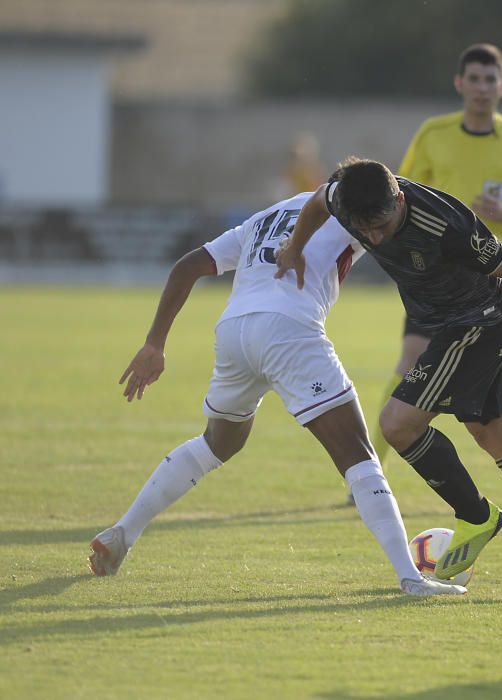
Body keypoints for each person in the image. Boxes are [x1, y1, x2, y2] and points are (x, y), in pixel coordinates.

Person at [87, 191, 466, 598]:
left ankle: (122, 533)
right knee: (358, 455)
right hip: (290, 331)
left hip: (234, 331)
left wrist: (155, 343)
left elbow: (188, 266)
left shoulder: (264, 217)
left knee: (217, 443)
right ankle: (411, 577)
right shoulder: (352, 209)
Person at [275, 157, 502, 599]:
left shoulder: (446, 224)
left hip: (479, 321)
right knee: (497, 436)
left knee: (397, 424)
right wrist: (295, 247)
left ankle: (476, 516)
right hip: (448, 322)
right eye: (364, 229)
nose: (373, 237)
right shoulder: (343, 198)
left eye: (381, 225)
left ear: (397, 199)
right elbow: (318, 201)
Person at [367, 44, 502, 509]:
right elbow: (399, 192)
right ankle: (371, 477)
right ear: (460, 84)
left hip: (497, 268)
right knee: (407, 363)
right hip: (434, 273)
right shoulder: (434, 133)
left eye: (491, 80)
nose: (483, 88)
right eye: (475, 79)